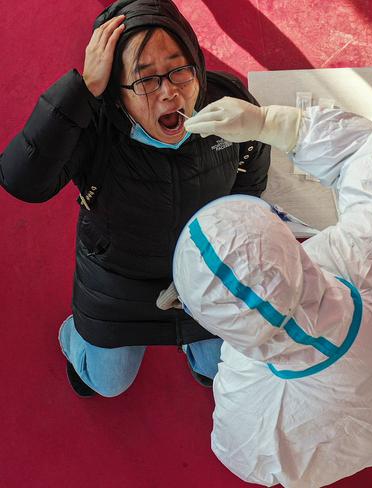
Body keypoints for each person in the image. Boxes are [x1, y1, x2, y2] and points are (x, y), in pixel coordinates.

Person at [158, 97, 372, 487]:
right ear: (290, 240)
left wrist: (219, 322)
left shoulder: (249, 401)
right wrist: (273, 123)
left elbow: (241, 454)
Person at [0, 0, 270, 398]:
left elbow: (250, 179)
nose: (169, 93)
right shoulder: (91, 127)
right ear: (115, 92)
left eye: (180, 69)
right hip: (119, 281)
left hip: (203, 271)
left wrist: (227, 251)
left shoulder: (226, 103)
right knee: (108, 383)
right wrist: (82, 90)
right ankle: (78, 334)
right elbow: (22, 180)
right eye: (145, 80)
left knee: (220, 368)